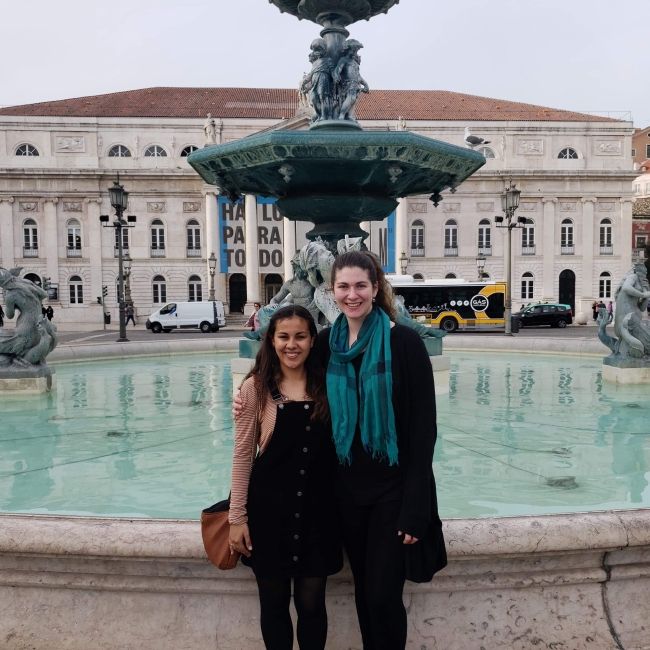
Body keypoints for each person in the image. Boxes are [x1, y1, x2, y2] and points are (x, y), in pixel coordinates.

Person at [317, 250, 445, 650]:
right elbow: (283, 378)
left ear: (375, 289)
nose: (351, 294)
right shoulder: (326, 345)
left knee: (382, 595)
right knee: (362, 593)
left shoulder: (403, 342)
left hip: (391, 491)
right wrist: (246, 398)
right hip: (346, 493)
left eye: (360, 285)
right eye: (343, 286)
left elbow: (423, 431)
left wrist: (415, 507)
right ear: (331, 290)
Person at [229, 304, 342, 650]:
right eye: (283, 336)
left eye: (300, 336)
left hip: (318, 513)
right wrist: (237, 516)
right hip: (269, 514)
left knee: (312, 605)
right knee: (274, 605)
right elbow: (243, 454)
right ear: (271, 340)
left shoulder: (329, 385)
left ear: (312, 341)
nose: (291, 344)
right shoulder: (255, 388)